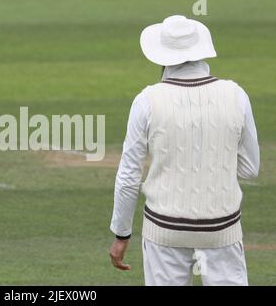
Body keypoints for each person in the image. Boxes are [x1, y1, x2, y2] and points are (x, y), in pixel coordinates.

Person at [109, 15, 260, 286]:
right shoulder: (236, 95)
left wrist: (121, 235)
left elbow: (129, 176)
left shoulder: (146, 100)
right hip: (222, 228)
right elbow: (250, 168)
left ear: (162, 55)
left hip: (165, 230)